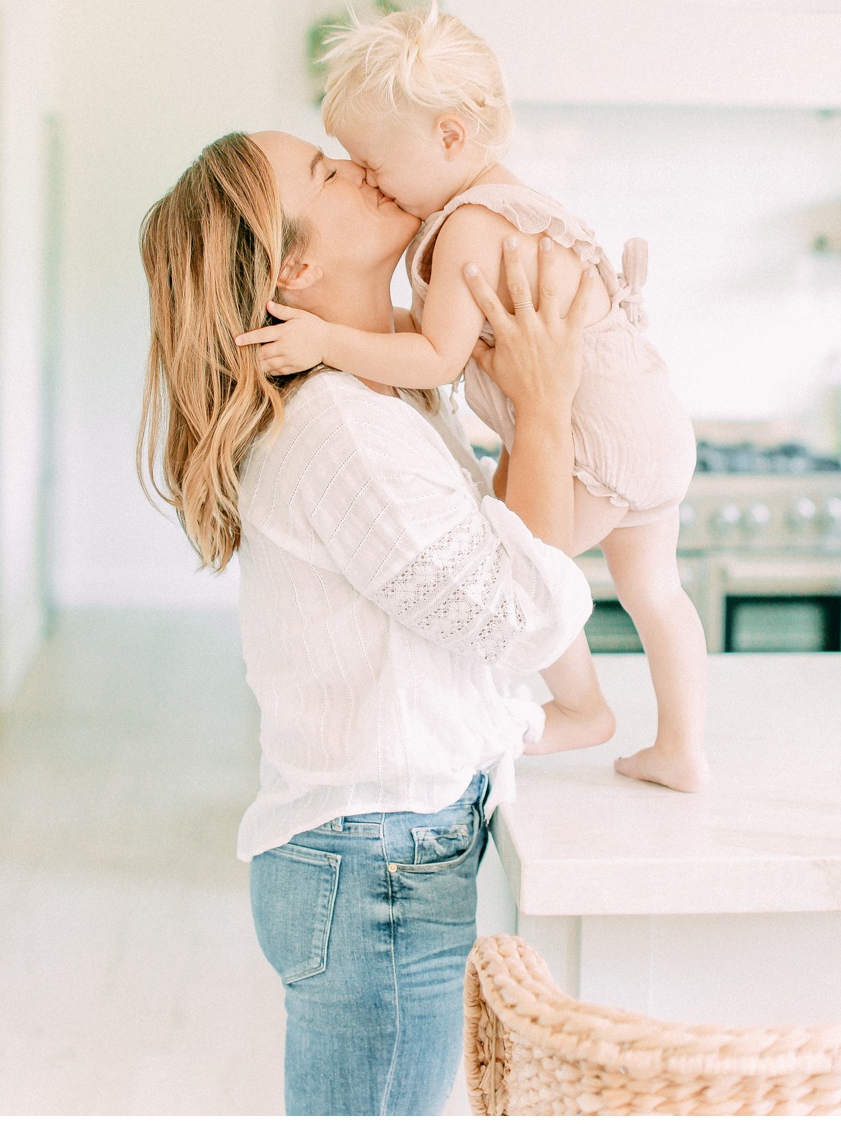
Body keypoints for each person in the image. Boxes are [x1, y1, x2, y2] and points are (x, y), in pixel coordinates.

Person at [137, 129, 600, 1117]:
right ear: (296, 265)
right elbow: (522, 620)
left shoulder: (376, 396)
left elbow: (425, 643)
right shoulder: (344, 428)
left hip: (374, 858)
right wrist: (545, 405)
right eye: (324, 172)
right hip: (378, 868)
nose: (357, 162)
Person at [235, 0, 707, 793]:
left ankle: (585, 708)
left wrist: (323, 340)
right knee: (657, 592)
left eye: (374, 165)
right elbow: (431, 327)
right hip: (654, 423)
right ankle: (683, 746)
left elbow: (434, 354)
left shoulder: (465, 227)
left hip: (596, 445)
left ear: (449, 136)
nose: (369, 180)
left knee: (526, 566)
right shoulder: (512, 204)